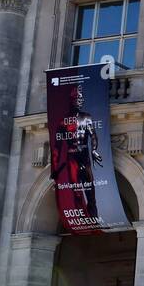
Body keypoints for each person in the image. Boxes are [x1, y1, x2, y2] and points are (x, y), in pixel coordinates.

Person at [52, 85, 103, 221]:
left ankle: (94, 219)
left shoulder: (86, 117)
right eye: (78, 98)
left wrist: (93, 150)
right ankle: (83, 219)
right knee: (77, 192)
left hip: (85, 156)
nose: (81, 100)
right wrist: (55, 167)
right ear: (72, 99)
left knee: (91, 191)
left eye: (82, 98)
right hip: (72, 158)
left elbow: (93, 136)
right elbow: (57, 147)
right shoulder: (63, 122)